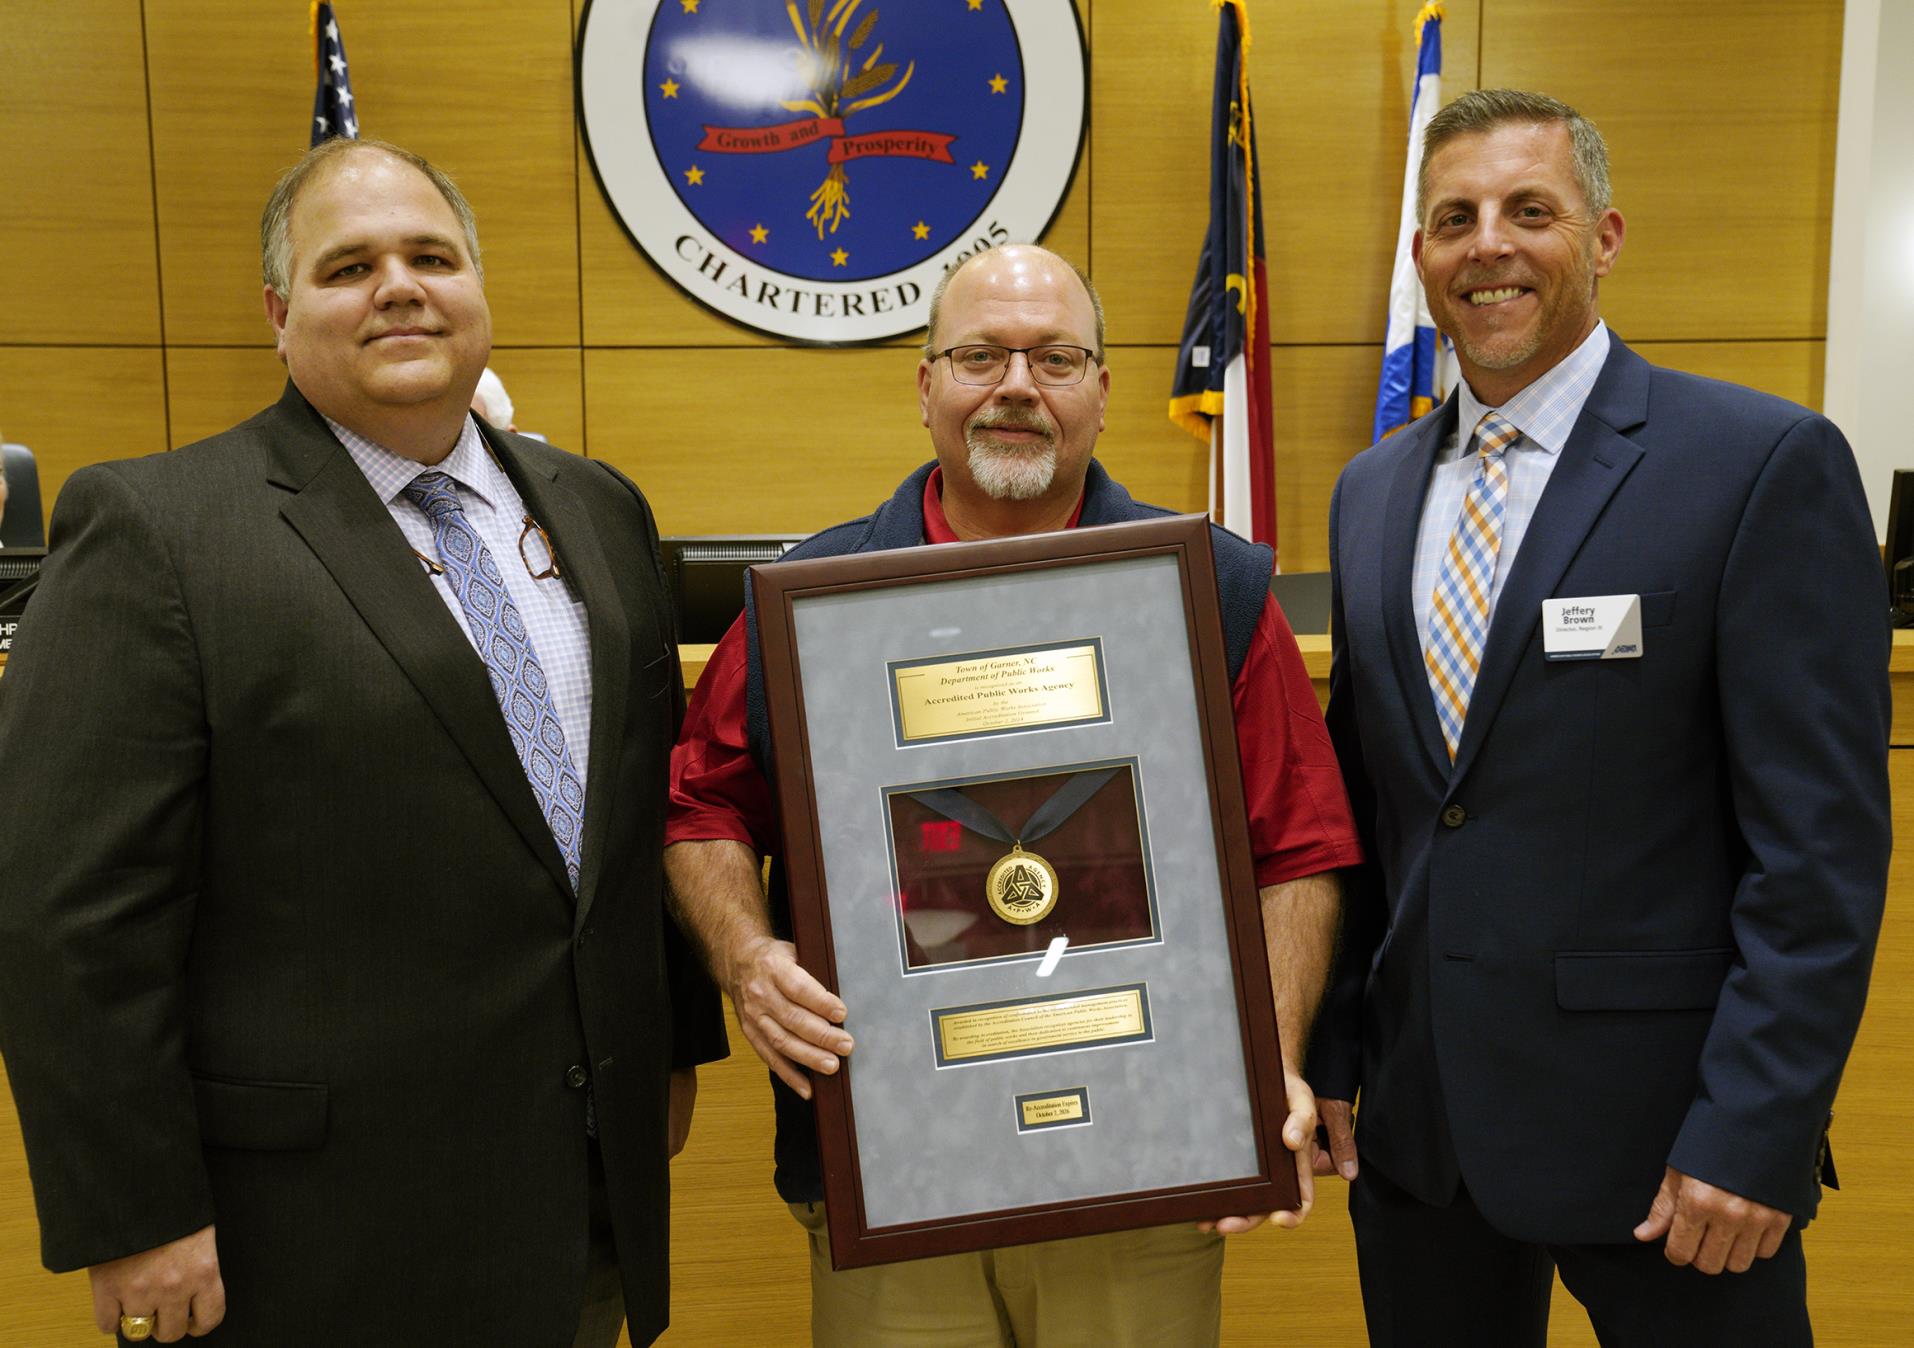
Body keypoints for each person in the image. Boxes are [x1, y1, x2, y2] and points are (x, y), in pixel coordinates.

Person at [0, 137, 724, 1348]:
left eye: (431, 256)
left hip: (577, 1195)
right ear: (282, 316)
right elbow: (66, 910)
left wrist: (670, 1043)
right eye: (349, 267)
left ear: (478, 294)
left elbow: (634, 807)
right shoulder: (162, 530)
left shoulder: (600, 506)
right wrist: (133, 1212)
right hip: (312, 1236)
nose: (399, 286)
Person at [664, 243, 1362, 1346]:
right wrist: (747, 957)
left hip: (1148, 1166)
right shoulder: (812, 606)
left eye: (1056, 358)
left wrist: (1261, 1058)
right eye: (980, 355)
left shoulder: (1218, 593)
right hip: (894, 1166)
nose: (1017, 387)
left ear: (1102, 389)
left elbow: (1300, 848)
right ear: (927, 385)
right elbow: (702, 804)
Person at [1315, 88, 1890, 1345]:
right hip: (1425, 1143)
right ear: (1420, 255)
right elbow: (1379, 814)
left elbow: (1819, 854)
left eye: (1532, 211)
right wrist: (1342, 1055)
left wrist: (1757, 1129)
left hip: (1675, 1150)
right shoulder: (1369, 496)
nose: (1489, 246)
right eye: (1454, 218)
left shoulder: (1755, 464)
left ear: (1606, 235)